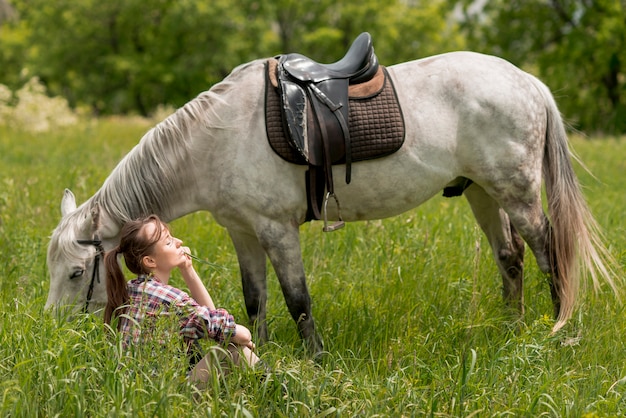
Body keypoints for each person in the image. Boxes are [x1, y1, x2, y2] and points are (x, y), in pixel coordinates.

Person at [103, 214, 262, 387]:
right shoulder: (170, 299)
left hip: (138, 394)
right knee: (232, 350)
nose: (178, 241)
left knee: (227, 341)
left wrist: (187, 268)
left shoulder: (131, 289)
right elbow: (238, 333)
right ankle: (278, 390)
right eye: (168, 242)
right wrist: (240, 339)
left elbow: (212, 320)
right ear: (149, 261)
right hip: (167, 397)